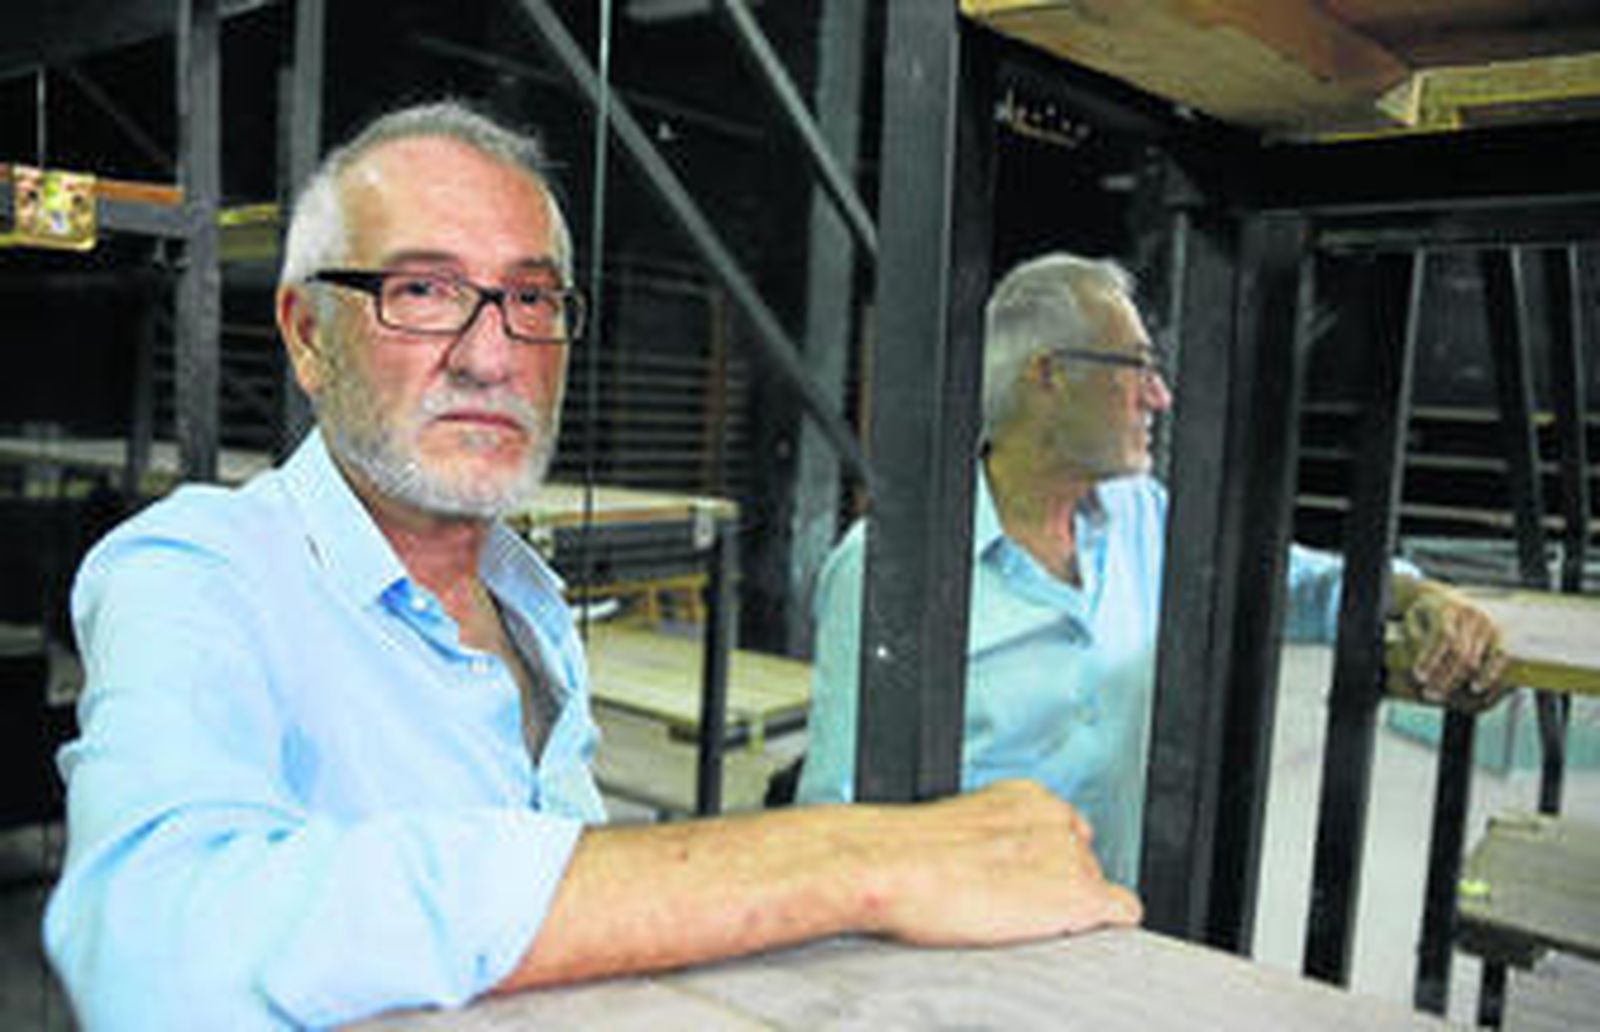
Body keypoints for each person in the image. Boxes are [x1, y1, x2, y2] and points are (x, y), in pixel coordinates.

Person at [42, 106, 1139, 1029]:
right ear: (306, 334)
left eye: (530, 299)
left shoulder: (528, 602)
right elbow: (150, 943)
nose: (490, 355)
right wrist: (854, 859)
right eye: (420, 291)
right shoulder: (198, 572)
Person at [796, 252, 1508, 888]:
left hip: (1112, 922)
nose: (1159, 396)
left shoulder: (1140, 516)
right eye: (1136, 366)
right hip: (964, 941)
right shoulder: (888, 568)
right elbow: (834, 813)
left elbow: (1297, 586)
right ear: (1048, 376)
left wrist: (1420, 595)